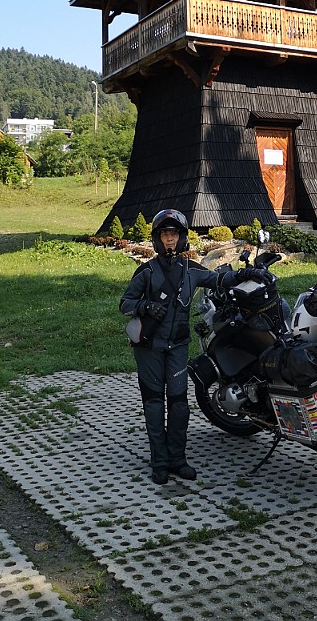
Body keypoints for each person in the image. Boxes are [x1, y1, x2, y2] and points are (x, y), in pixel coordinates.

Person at [119, 208, 219, 485]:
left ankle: (178, 459)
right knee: (153, 404)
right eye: (165, 234)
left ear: (183, 238)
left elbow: (218, 279)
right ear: (156, 239)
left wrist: (250, 274)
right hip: (149, 348)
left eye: (174, 234)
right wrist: (146, 306)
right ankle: (159, 462)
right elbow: (125, 304)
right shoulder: (146, 271)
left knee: (179, 405)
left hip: (177, 347)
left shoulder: (192, 271)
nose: (170, 240)